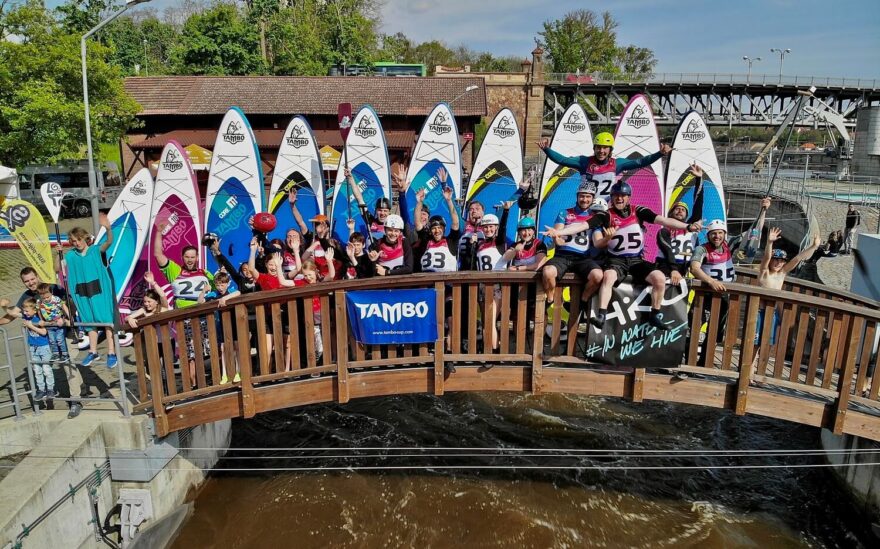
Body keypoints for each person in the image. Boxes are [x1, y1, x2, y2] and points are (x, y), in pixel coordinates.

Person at [550, 182, 701, 330]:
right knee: (608, 276)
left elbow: (664, 220)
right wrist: (558, 232)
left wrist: (687, 226)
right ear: (612, 197)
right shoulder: (605, 215)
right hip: (616, 260)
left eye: (623, 196)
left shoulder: (639, 211)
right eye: (616, 196)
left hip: (636, 260)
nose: (619, 199)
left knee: (660, 278)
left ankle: (654, 314)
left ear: (629, 197)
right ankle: (601, 315)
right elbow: (583, 226)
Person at [751, 228, 822, 374]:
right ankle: (750, 371)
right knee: (755, 343)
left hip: (773, 312)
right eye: (775, 259)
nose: (778, 263)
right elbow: (765, 258)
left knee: (768, 343)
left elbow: (797, 259)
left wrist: (813, 247)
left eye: (781, 260)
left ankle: (760, 372)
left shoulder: (782, 273)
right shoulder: (764, 272)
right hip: (760, 310)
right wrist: (770, 242)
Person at [155, 221, 215, 383]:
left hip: (204, 317)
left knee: (208, 351)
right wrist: (159, 233)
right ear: (182, 257)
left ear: (197, 258)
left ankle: (209, 382)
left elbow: (219, 287)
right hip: (184, 319)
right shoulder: (175, 270)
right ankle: (193, 384)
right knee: (190, 354)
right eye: (187, 257)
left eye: (192, 257)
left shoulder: (204, 272)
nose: (190, 260)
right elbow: (158, 255)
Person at [536, 132, 672, 201]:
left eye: (605, 148)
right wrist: (547, 149)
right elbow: (562, 160)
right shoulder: (584, 162)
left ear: (610, 150)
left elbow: (640, 162)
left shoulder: (617, 163)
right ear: (594, 148)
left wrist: (660, 154)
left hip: (608, 204)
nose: (601, 151)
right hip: (587, 203)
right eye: (598, 148)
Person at [540, 180, 605, 310]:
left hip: (583, 258)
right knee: (547, 272)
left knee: (598, 275)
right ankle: (550, 298)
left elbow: (597, 241)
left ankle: (583, 300)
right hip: (563, 255)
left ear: (593, 198)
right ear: (577, 196)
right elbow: (558, 235)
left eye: (588, 196)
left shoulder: (595, 217)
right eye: (582, 196)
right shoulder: (565, 212)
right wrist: (557, 239)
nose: (584, 199)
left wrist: (608, 237)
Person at [64, 215, 117, 368]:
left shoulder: (95, 250)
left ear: (85, 238)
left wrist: (108, 228)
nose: (77, 243)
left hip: (99, 290)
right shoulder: (70, 255)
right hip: (82, 291)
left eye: (79, 239)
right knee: (89, 321)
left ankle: (111, 352)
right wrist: (58, 254)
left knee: (106, 320)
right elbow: (57, 267)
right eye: (73, 241)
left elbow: (108, 242)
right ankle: (93, 351)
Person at [197, 271, 241, 384]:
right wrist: (203, 291)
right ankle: (224, 374)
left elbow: (238, 293)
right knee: (223, 348)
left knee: (236, 347)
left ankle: (238, 372)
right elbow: (200, 302)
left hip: (233, 322)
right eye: (217, 285)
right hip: (220, 323)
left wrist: (225, 299)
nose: (220, 287)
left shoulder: (231, 291)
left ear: (227, 283)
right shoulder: (214, 294)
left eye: (222, 284)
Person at [20, 298, 55, 401]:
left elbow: (44, 332)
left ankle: (50, 389)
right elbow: (15, 314)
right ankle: (41, 389)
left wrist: (31, 326)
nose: (24, 313)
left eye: (27, 311)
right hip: (33, 348)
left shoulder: (37, 319)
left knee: (46, 370)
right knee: (37, 371)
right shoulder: (27, 319)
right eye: (24, 311)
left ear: (34, 310)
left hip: (44, 347)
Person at [36, 282, 70, 363]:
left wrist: (69, 317)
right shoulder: (39, 302)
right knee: (52, 340)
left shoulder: (56, 299)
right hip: (49, 324)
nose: (46, 299)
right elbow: (39, 311)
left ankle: (65, 354)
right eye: (44, 298)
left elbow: (63, 306)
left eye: (48, 297)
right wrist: (42, 320)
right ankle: (56, 354)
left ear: (51, 293)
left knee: (60, 339)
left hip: (58, 322)